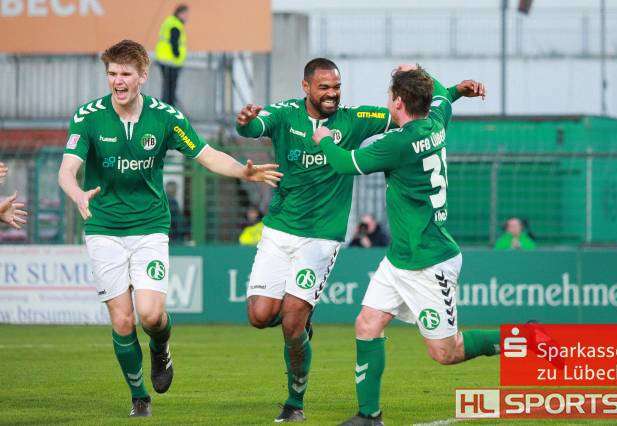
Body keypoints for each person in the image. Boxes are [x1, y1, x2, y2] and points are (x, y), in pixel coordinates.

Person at [58, 39, 281, 418]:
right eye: (112, 74)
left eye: (125, 74)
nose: (117, 81)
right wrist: (77, 193)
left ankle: (160, 347)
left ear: (143, 76)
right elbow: (67, 169)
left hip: (149, 227)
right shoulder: (88, 116)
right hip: (104, 229)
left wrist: (242, 171)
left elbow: (205, 154)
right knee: (122, 320)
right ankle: (139, 397)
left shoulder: (165, 117)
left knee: (150, 315)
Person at [313, 66, 500, 426]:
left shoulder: (397, 143)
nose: (387, 101)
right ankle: (369, 416)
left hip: (430, 260)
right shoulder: (436, 120)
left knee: (446, 352)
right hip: (400, 257)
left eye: (390, 96)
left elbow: (345, 164)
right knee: (367, 323)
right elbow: (443, 95)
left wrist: (324, 139)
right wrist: (448, 84)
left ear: (398, 102)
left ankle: (524, 338)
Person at [235, 58, 415, 422]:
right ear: (306, 87)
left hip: (321, 236)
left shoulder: (354, 120)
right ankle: (303, 320)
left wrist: (445, 93)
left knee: (291, 324)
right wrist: (245, 122)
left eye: (336, 87)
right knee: (259, 316)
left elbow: (405, 115)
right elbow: (255, 126)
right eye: (324, 88)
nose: (332, 94)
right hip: (280, 229)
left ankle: (294, 402)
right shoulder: (286, 114)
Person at [155, 4, 188, 106]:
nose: (186, 17)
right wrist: (177, 54)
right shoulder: (175, 25)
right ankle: (168, 109)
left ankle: (166, 108)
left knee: (167, 87)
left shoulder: (171, 21)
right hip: (170, 61)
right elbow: (174, 41)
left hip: (166, 60)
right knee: (170, 89)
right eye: (185, 14)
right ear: (179, 13)